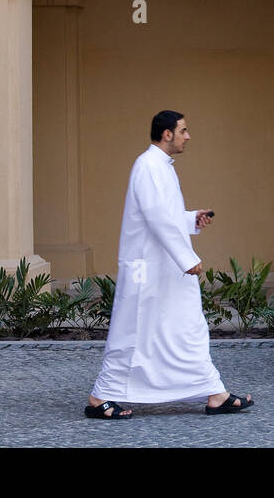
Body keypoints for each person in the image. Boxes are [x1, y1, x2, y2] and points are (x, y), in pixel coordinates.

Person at [85, 110, 254, 418]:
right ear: (167, 134)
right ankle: (100, 397)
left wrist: (192, 219)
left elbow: (165, 214)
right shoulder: (149, 166)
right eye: (183, 131)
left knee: (185, 328)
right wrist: (187, 259)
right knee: (133, 333)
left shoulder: (158, 166)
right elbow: (156, 217)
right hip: (149, 270)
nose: (187, 136)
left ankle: (215, 392)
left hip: (163, 269)